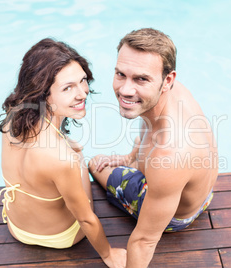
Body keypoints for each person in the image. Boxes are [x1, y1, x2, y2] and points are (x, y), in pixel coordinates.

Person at [89, 28, 219, 267]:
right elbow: (149, 128)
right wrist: (131, 157)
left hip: (177, 215)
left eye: (141, 79)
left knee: (95, 164)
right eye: (120, 74)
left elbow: (144, 242)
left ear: (167, 80)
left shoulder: (168, 153)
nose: (125, 90)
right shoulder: (170, 92)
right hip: (203, 195)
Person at [0, 38, 126, 268]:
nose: (82, 93)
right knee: (78, 156)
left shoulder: (14, 116)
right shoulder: (61, 158)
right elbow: (86, 219)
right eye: (68, 88)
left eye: (82, 81)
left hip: (16, 227)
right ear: (44, 94)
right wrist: (108, 255)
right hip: (60, 237)